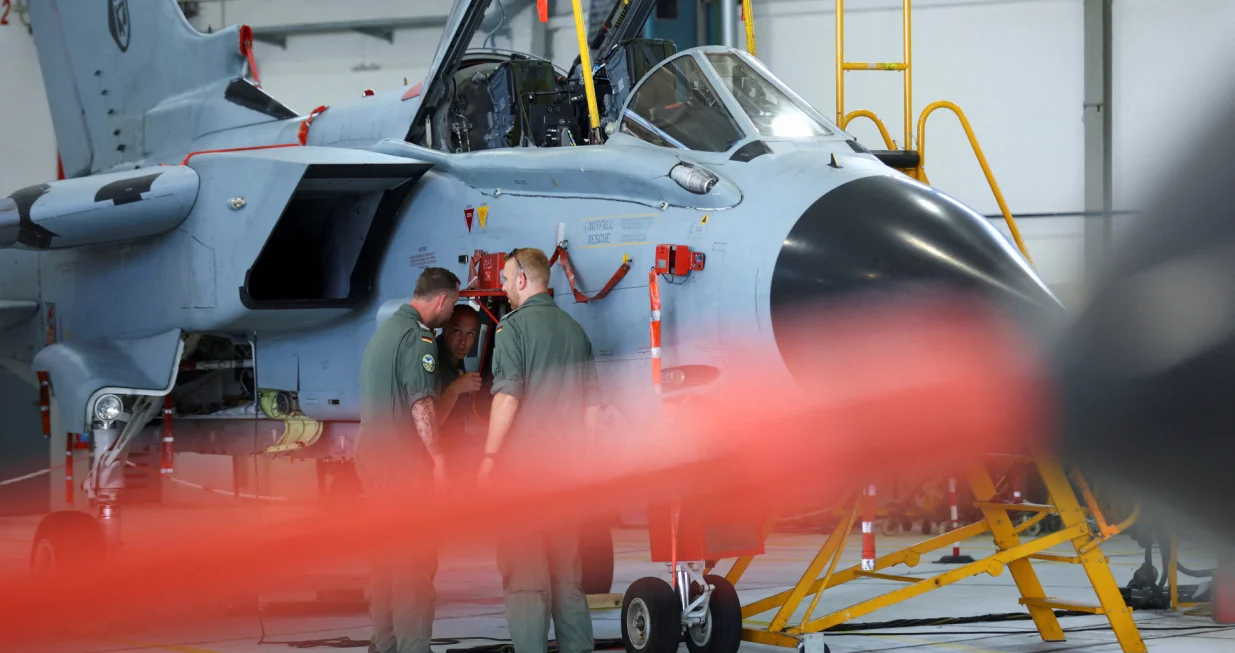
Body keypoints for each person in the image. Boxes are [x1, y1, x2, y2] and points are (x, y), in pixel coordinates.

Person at [478, 247, 602, 653]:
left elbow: (507, 396)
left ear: (523, 280)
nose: (502, 287)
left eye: (507, 278)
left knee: (527, 582)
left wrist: (490, 458)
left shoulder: (511, 329)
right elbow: (592, 409)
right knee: (568, 581)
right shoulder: (575, 331)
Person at [355, 267, 461, 653]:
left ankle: (384, 645)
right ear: (441, 300)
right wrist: (437, 458)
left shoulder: (383, 334)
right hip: (403, 469)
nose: (451, 315)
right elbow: (421, 402)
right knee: (414, 568)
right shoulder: (419, 338)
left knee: (384, 564)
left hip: (374, 462)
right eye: (452, 305)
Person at [435, 304, 484, 481]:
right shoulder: (434, 361)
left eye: (470, 334)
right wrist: (457, 388)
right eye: (457, 331)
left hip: (453, 452)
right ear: (445, 329)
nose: (463, 341)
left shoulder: (455, 361)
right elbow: (431, 421)